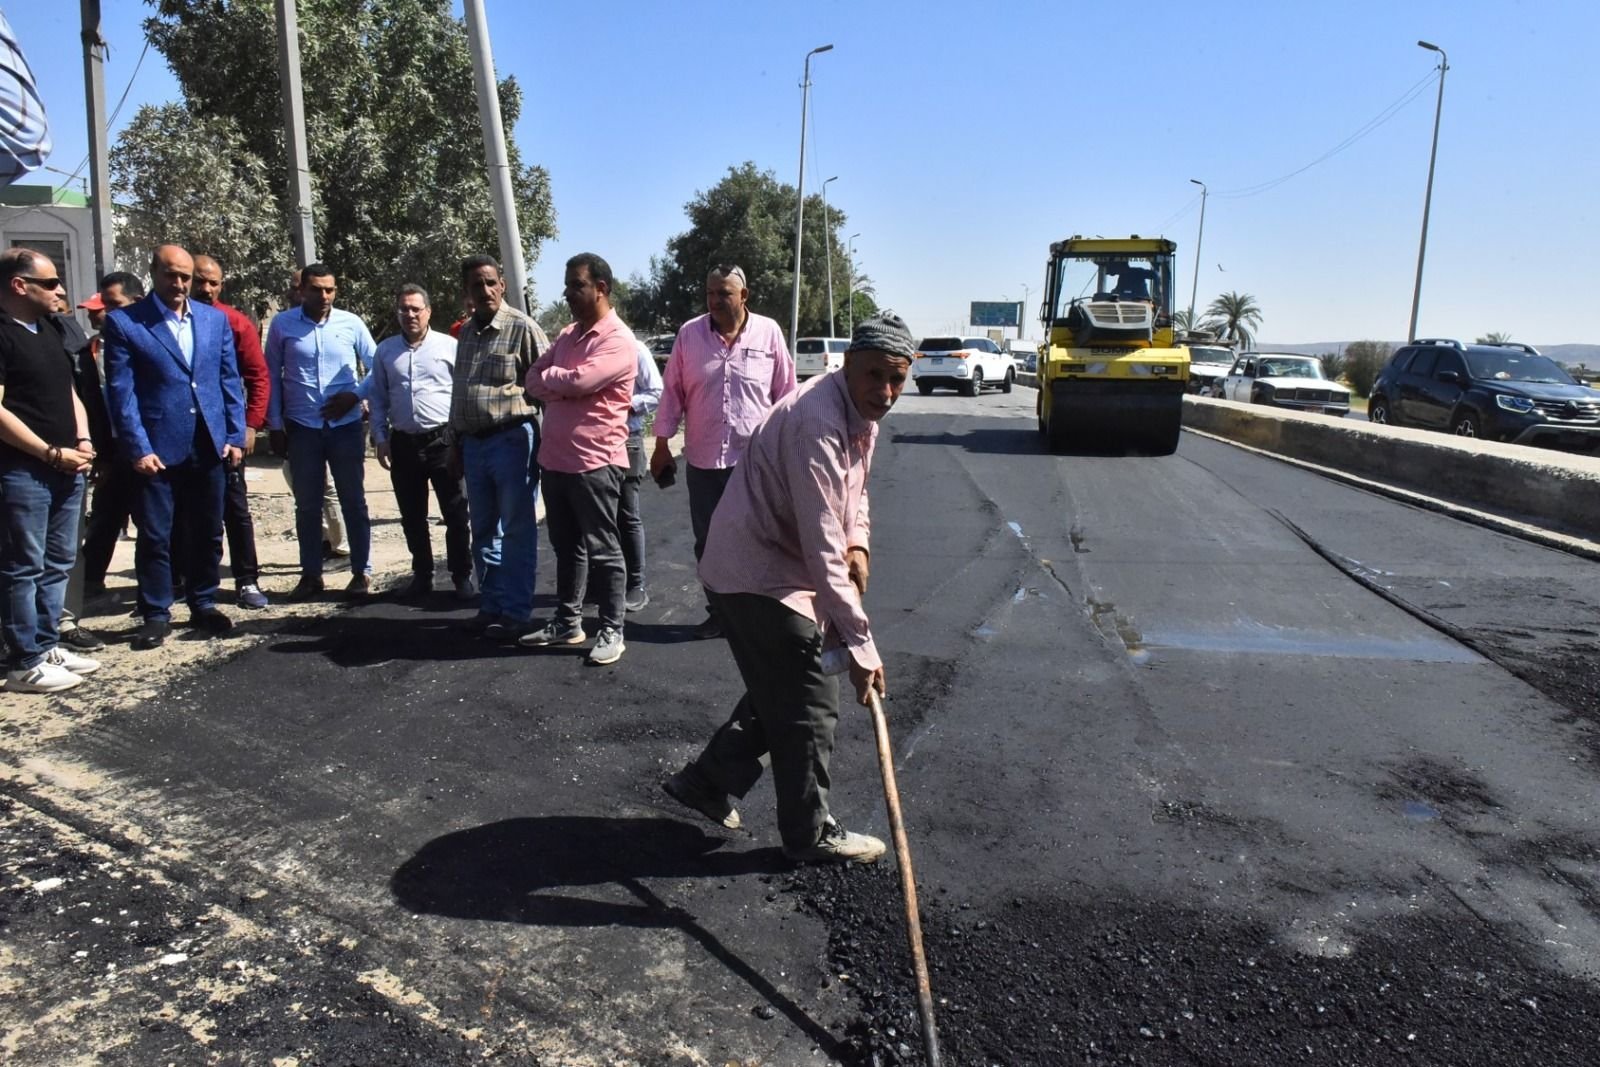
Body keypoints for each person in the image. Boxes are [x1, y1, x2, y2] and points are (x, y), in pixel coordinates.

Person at [661, 311, 916, 865]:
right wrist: (861, 648)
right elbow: (824, 550)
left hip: (779, 565)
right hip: (753, 573)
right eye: (875, 375)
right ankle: (810, 834)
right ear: (847, 365)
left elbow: (856, 495)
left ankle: (706, 782)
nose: (886, 391)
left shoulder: (859, 413)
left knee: (782, 685)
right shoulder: (817, 424)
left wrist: (862, 544)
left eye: (897, 378)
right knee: (810, 694)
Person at [101, 244, 245, 651]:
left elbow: (228, 381)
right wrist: (137, 447)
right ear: (154, 273)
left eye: (186, 276)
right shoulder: (128, 324)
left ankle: (204, 602)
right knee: (156, 535)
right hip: (157, 449)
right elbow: (122, 393)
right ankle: (156, 613)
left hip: (209, 443)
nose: (180, 284)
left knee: (207, 529)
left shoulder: (213, 321)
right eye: (171, 275)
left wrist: (234, 435)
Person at [651, 264, 795, 639]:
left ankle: (759, 613)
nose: (715, 300)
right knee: (710, 543)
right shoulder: (689, 335)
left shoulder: (769, 333)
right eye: (710, 293)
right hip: (703, 460)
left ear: (743, 296)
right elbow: (672, 394)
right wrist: (662, 445)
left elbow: (786, 397)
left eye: (724, 293)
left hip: (756, 463)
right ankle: (720, 614)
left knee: (759, 538)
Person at [519, 253, 636, 665]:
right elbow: (533, 378)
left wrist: (560, 381)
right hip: (555, 460)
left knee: (604, 549)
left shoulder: (618, 340)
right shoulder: (569, 334)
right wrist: (562, 383)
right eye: (568, 286)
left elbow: (582, 379)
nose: (567, 293)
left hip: (595, 462)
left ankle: (612, 628)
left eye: (576, 286)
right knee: (567, 548)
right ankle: (568, 622)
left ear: (601, 288)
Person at [0, 248, 99, 691]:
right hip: (25, 470)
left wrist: (82, 440)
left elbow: (70, 392)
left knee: (59, 560)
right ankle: (24, 661)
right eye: (50, 283)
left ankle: (46, 641)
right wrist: (48, 452)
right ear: (19, 286)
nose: (60, 290)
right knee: (24, 564)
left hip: (66, 465)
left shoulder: (51, 329)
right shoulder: (3, 333)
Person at [447, 254, 548, 638]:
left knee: (517, 529)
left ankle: (517, 611)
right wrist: (455, 443)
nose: (486, 290)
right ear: (467, 291)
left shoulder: (522, 328)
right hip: (474, 446)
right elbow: (460, 395)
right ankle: (491, 604)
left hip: (512, 441)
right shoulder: (467, 334)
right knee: (484, 530)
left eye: (491, 282)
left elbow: (546, 388)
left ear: (502, 285)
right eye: (477, 285)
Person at [265, 262, 376, 600]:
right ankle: (311, 575)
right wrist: (274, 425)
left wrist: (354, 396)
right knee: (307, 506)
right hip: (302, 429)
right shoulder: (283, 325)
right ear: (303, 291)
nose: (324, 295)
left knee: (353, 502)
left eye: (329, 289)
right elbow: (271, 375)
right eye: (316, 289)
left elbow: (377, 365)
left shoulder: (351, 323)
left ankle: (362, 572)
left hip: (345, 427)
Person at [368, 284, 471, 600]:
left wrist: (459, 439)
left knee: (455, 513)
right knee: (412, 516)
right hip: (403, 444)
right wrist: (380, 438)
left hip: (442, 441)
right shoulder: (385, 351)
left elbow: (461, 395)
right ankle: (423, 575)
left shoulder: (448, 347)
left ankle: (461, 577)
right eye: (404, 309)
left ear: (428, 311)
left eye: (416, 308)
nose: (410, 314)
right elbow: (379, 397)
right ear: (397, 312)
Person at [192, 254, 271, 609]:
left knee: (234, 510)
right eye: (199, 281)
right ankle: (187, 580)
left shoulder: (235, 322)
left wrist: (249, 426)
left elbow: (257, 377)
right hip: (179, 436)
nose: (205, 289)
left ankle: (246, 579)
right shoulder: (160, 323)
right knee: (181, 514)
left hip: (224, 435)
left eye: (213, 282)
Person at [79, 272, 147, 596]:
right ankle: (91, 582)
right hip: (112, 447)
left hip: (147, 445)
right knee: (105, 515)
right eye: (98, 306)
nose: (98, 313)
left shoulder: (150, 340)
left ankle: (157, 587)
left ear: (136, 303)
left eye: (109, 305)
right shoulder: (89, 351)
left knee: (152, 521)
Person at [619, 336, 662, 611]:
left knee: (627, 515)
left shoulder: (633, 347)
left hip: (627, 439)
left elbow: (656, 391)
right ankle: (602, 582)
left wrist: (622, 404)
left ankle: (636, 584)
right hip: (591, 443)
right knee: (597, 517)